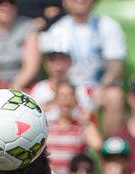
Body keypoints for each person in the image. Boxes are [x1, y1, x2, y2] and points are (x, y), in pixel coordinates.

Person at [39, 0, 126, 136]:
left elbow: (116, 65)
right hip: (66, 85)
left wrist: (102, 87)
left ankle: (109, 150)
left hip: (97, 86)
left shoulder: (108, 25)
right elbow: (52, 66)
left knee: (114, 96)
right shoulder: (57, 28)